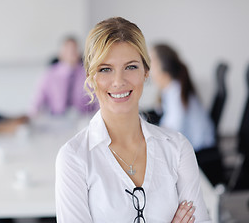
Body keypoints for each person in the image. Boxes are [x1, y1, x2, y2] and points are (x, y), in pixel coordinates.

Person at [55, 17, 211, 222]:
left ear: (146, 72)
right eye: (105, 69)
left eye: (131, 67)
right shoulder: (74, 158)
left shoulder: (178, 148)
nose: (119, 81)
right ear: (91, 77)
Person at [149, 44, 216, 152]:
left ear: (163, 67)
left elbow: (172, 131)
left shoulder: (176, 92)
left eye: (151, 63)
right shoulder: (171, 89)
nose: (148, 70)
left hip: (201, 153)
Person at [31, 37, 98, 116]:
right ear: (60, 53)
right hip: (56, 120)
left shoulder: (88, 74)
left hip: (82, 120)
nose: (71, 53)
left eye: (74, 50)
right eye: (67, 50)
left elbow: (98, 101)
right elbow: (36, 102)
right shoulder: (49, 75)